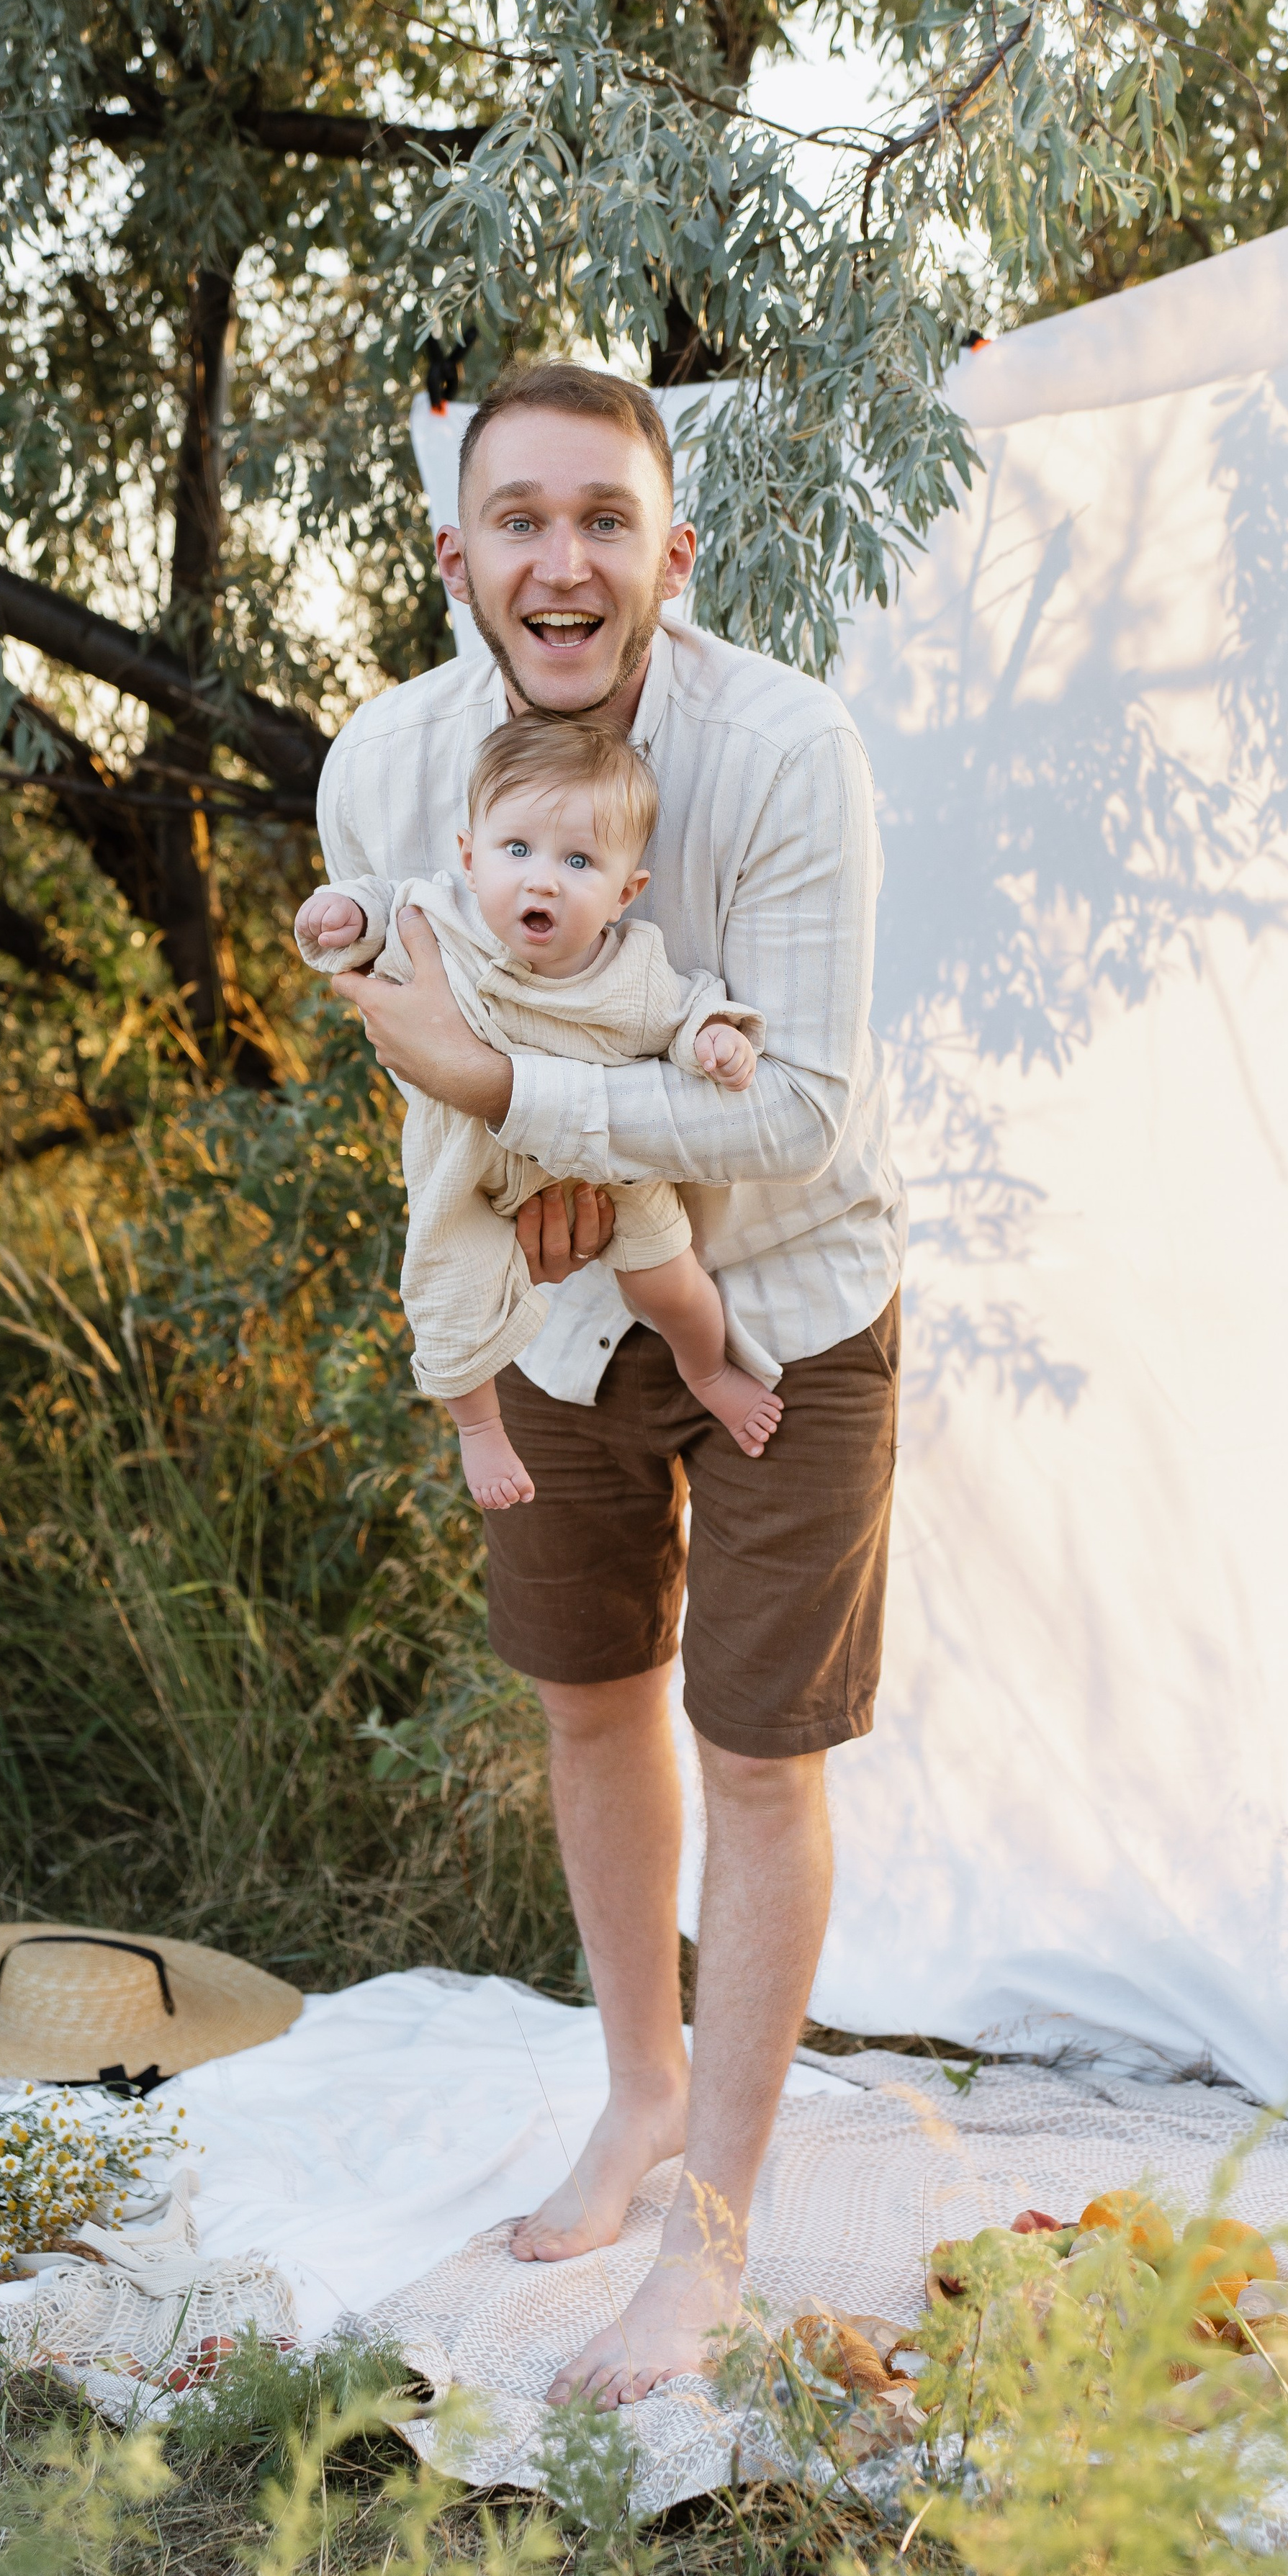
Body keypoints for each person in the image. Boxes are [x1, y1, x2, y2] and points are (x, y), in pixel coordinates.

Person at [308, 360, 904, 2409]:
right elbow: (408, 1036)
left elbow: (799, 1111)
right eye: (521, 519)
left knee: (755, 1749)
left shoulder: (789, 752)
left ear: (675, 550)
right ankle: (639, 2089)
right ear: (454, 552)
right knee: (586, 1698)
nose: (562, 560)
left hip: (784, 1302)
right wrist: (521, 1145)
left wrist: (527, 1099)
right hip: (551, 1304)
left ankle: (707, 2238)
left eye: (603, 519)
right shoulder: (385, 765)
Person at [293, 712, 783, 1508]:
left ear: (625, 893)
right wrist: (345, 915)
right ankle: (479, 1427)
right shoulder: (441, 922)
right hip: (469, 1168)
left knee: (673, 1283)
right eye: (516, 850)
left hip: (606, 1168)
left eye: (578, 861)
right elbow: (382, 911)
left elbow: (685, 1010)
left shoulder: (631, 970)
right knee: (446, 1286)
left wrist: (713, 1040)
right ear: (469, 857)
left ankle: (708, 1374)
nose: (542, 879)